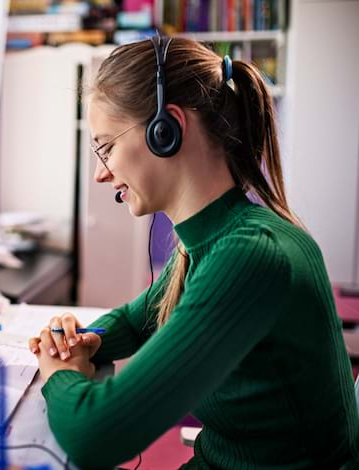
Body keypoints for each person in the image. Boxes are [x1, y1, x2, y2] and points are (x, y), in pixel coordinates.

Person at [29, 36, 359, 469]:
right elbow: (139, 317)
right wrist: (79, 339)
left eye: (106, 146)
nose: (100, 173)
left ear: (166, 130)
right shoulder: (214, 238)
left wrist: (60, 373)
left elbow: (95, 436)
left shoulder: (249, 256)